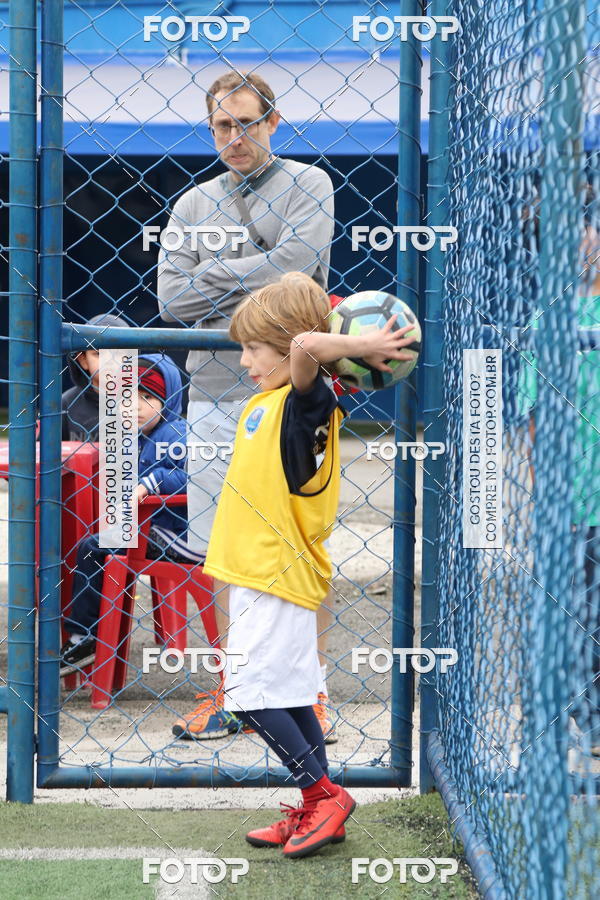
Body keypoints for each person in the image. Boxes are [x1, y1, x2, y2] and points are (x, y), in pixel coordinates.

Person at [202, 272, 416, 857]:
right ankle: (317, 802)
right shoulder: (271, 401)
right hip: (261, 573)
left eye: (253, 348)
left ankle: (323, 795)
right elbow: (299, 346)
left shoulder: (309, 401)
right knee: (290, 693)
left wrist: (359, 346)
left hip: (275, 571)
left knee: (247, 695)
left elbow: (305, 349)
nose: (244, 359)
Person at [157, 70, 337, 740]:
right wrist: (263, 275)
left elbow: (301, 260)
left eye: (245, 123)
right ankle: (236, 689)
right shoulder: (192, 203)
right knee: (222, 555)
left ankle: (310, 696)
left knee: (298, 545)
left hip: (293, 394)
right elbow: (172, 301)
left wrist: (214, 275)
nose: (233, 137)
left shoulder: (310, 184)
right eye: (221, 126)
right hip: (213, 392)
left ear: (273, 121)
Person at [60, 354, 203, 674]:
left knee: (93, 547)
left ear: (168, 399)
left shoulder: (176, 433)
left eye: (147, 396)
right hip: (149, 529)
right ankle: (88, 632)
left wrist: (151, 483)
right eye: (128, 396)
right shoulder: (136, 436)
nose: (135, 405)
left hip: (177, 534)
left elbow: (194, 476)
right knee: (89, 545)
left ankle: (85, 636)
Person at [62, 313, 130, 441]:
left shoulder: (142, 401)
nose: (109, 360)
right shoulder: (67, 403)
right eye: (98, 353)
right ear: (84, 360)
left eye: (118, 352)